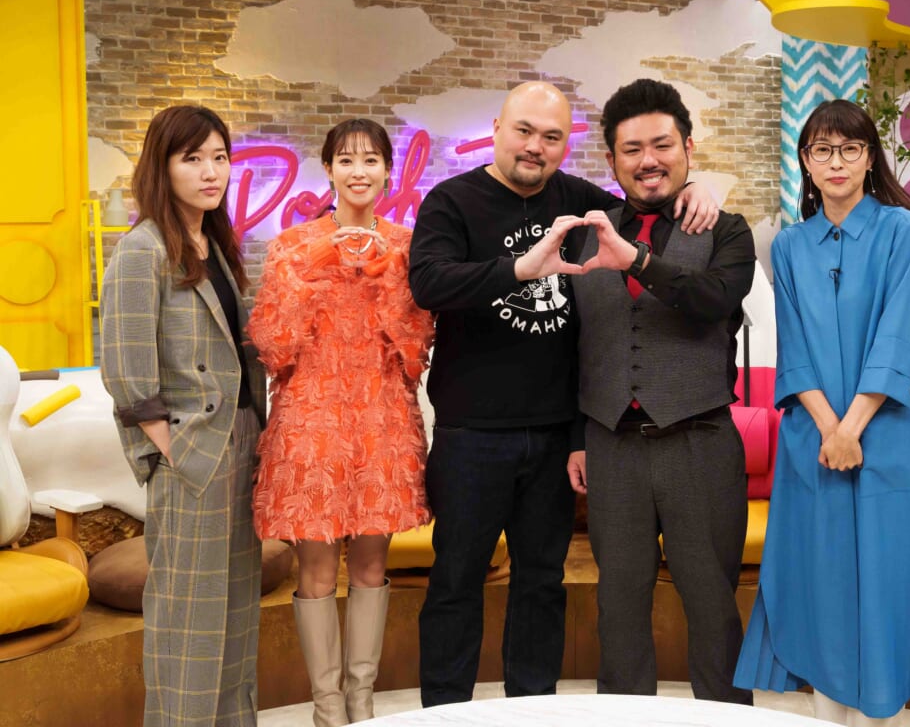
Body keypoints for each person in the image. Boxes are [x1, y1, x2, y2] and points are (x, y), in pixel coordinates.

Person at [408, 80, 718, 707]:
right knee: (456, 582)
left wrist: (699, 188)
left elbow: (644, 199)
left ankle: (532, 708)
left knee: (542, 584)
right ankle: (443, 714)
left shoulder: (576, 199)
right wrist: (521, 269)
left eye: (551, 137)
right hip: (471, 434)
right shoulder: (452, 201)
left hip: (555, 435)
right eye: (524, 131)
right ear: (497, 129)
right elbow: (429, 282)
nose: (535, 147)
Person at [734, 99, 910, 726]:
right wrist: (830, 431)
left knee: (890, 579)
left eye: (850, 148)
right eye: (822, 150)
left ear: (869, 158)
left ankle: (882, 714)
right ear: (805, 161)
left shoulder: (904, 231)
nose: (837, 162)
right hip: (815, 436)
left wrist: (852, 428)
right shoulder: (788, 245)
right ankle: (827, 714)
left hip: (890, 433)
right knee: (819, 579)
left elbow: (898, 338)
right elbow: (795, 349)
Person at [564, 79, 755, 702]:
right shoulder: (583, 233)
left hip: (699, 441)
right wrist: (577, 438)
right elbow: (576, 348)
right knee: (618, 608)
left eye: (662, 145)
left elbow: (714, 299)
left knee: (713, 605)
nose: (649, 160)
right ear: (612, 160)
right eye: (632, 149)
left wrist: (638, 261)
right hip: (610, 444)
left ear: (688, 148)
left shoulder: (727, 231)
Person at [248, 118, 434, 726]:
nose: (360, 172)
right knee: (317, 570)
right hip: (311, 424)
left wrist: (389, 281)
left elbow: (417, 351)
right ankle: (327, 709)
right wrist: (313, 270)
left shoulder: (408, 246)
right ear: (327, 169)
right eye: (347, 160)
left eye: (372, 160)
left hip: (382, 421)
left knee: (374, 566)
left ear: (388, 171)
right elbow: (273, 346)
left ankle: (363, 701)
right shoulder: (291, 246)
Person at [100, 105, 268, 727]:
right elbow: (126, 370)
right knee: (188, 622)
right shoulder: (141, 250)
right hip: (193, 452)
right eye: (192, 158)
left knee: (236, 614)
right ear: (162, 167)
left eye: (219, 157)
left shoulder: (215, 244)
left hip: (242, 440)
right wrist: (172, 452)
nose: (210, 171)